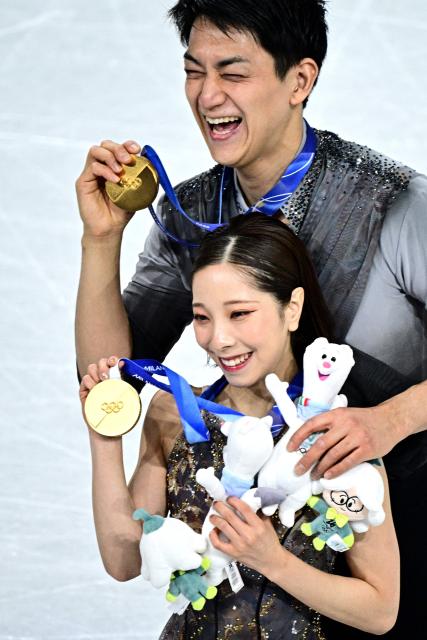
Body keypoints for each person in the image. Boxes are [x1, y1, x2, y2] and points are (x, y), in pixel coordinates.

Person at [75, 1, 426, 637]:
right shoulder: (189, 214)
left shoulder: (398, 204)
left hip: (402, 511)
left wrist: (389, 421)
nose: (208, 96)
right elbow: (111, 381)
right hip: (272, 524)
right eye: (194, 71)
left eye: (232, 72)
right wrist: (101, 241)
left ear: (300, 81)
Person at [79, 214, 399, 639]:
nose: (220, 339)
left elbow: (379, 610)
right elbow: (123, 562)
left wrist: (272, 560)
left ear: (293, 308)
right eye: (202, 317)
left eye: (240, 313)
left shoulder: (337, 433)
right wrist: (104, 435)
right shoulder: (171, 413)